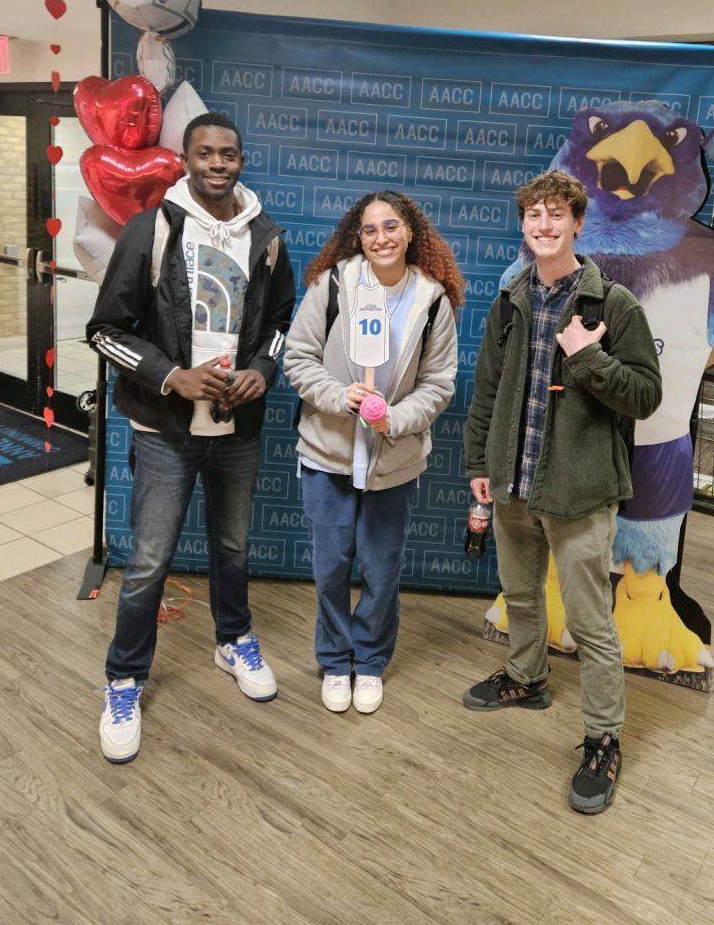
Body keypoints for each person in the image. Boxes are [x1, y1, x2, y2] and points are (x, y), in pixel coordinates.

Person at [87, 111, 295, 763]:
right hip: (165, 432)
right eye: (204, 153)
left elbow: (282, 322)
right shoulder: (151, 231)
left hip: (236, 430)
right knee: (149, 562)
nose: (217, 163)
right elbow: (103, 331)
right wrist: (170, 375)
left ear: (240, 159)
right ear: (185, 159)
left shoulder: (265, 236)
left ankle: (232, 639)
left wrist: (262, 370)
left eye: (228, 153)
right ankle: (123, 679)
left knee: (232, 549)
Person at [463, 169, 662, 814]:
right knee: (521, 594)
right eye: (533, 216)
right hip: (513, 485)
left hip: (580, 494)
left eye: (556, 215)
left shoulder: (615, 306)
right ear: (524, 226)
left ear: (578, 224)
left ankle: (603, 739)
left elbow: (646, 396)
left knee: (590, 624)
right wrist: (479, 460)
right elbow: (489, 391)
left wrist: (586, 358)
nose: (543, 226)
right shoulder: (511, 298)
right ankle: (526, 677)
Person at [283, 191, 463, 714]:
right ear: (357, 236)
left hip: (395, 458)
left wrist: (394, 418)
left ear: (410, 232)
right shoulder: (335, 284)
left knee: (382, 569)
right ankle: (336, 660)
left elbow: (438, 384)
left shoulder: (432, 300)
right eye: (369, 230)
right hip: (328, 452)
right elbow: (298, 357)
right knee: (331, 566)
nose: (380, 238)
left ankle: (371, 659)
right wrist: (341, 396)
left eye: (391, 227)